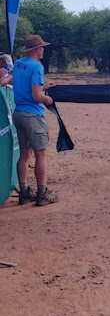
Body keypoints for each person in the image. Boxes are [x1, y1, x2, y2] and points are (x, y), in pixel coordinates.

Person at [11, 35, 59, 206]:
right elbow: (37, 96)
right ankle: (41, 193)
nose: (43, 50)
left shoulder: (18, 64)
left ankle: (24, 192)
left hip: (19, 114)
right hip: (33, 116)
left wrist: (43, 86)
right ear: (37, 49)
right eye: (42, 47)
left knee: (25, 154)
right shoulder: (37, 67)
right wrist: (48, 100)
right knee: (40, 154)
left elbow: (21, 83)